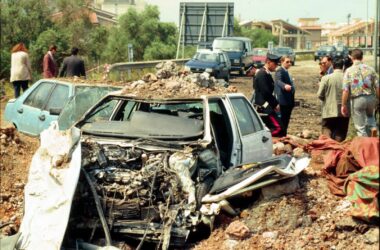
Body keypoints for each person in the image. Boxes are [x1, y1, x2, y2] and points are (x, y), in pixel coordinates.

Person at [341, 48, 379, 137]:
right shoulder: (371, 69)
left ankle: (365, 148)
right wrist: (378, 99)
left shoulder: (349, 71)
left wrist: (343, 105)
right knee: (370, 118)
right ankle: (373, 129)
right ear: (362, 58)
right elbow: (378, 87)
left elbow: (345, 90)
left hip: (357, 99)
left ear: (352, 58)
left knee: (360, 127)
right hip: (371, 98)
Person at [317, 58, 349, 142]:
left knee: (327, 129)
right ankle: (337, 149)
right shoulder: (348, 78)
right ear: (343, 67)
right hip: (344, 111)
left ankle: (328, 149)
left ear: (333, 66)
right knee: (340, 132)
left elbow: (320, 95)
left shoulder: (326, 78)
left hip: (328, 111)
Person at [253, 53, 283, 137]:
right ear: (268, 62)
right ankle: (263, 139)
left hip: (266, 104)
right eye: (275, 64)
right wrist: (275, 104)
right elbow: (266, 92)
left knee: (278, 127)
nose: (276, 66)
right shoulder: (262, 74)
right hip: (263, 105)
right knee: (278, 128)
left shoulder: (266, 73)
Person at [275, 55, 295, 136]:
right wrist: (284, 86)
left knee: (286, 121)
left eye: (290, 62)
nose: (289, 63)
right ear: (282, 62)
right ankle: (282, 137)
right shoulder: (280, 71)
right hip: (283, 101)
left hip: (288, 101)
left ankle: (284, 135)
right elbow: (278, 81)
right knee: (283, 121)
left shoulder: (286, 71)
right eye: (287, 62)